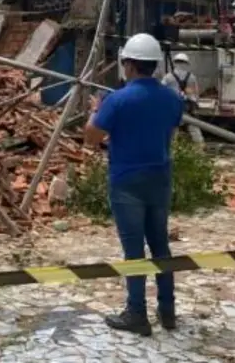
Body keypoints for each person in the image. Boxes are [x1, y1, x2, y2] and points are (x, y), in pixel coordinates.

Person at [84, 33, 183, 336]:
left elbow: (92, 137)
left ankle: (136, 312)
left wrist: (94, 109)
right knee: (160, 246)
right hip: (160, 178)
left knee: (133, 251)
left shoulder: (117, 99)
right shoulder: (172, 98)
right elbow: (168, 132)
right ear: (153, 64)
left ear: (128, 64)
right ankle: (167, 311)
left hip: (126, 181)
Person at [162, 53, 205, 148]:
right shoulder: (192, 77)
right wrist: (195, 104)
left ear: (174, 62)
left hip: (173, 107)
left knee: (172, 130)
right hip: (187, 107)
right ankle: (200, 148)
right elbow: (196, 94)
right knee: (194, 128)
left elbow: (161, 91)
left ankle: (172, 149)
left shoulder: (168, 77)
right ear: (186, 63)